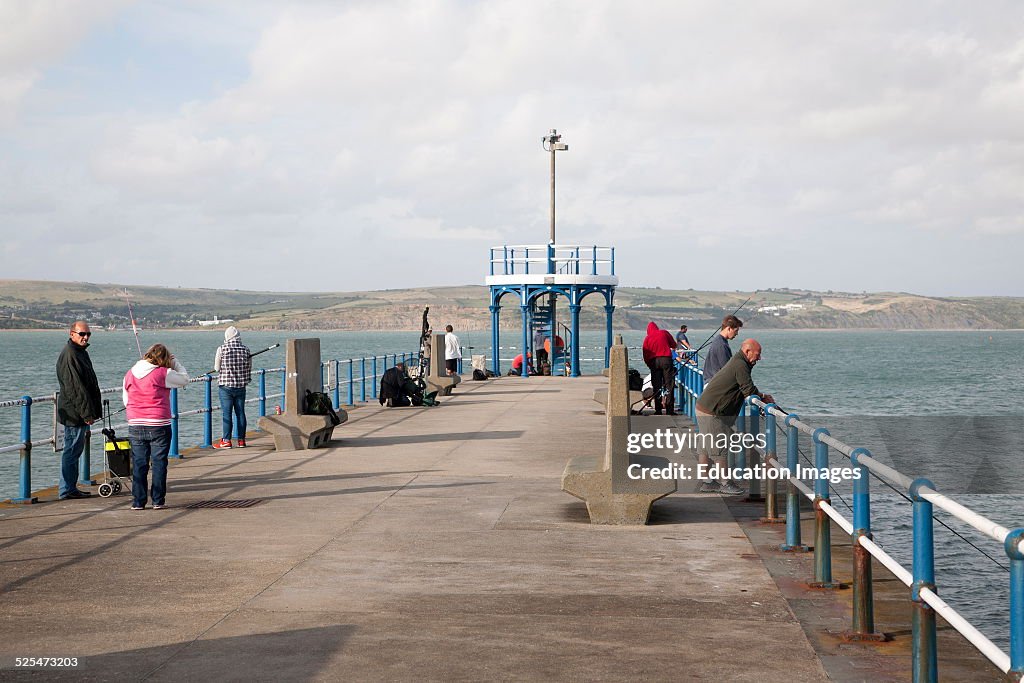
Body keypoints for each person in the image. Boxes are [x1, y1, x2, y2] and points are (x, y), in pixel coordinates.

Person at [694, 339, 774, 495]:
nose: (758, 358)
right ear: (747, 351)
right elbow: (748, 389)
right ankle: (725, 483)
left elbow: (744, 387)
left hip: (705, 407)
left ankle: (707, 482)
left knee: (705, 447)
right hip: (713, 412)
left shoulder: (738, 362)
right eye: (757, 354)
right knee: (719, 449)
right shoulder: (740, 364)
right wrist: (763, 396)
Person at [123, 344, 189, 510]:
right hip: (158, 424)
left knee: (139, 464)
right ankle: (158, 500)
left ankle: (138, 501)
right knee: (159, 463)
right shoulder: (162, 373)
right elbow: (184, 379)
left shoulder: (129, 374)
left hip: (135, 423)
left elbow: (126, 400)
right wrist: (175, 363)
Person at [55, 321, 103, 499]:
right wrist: (87, 414)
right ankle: (66, 490)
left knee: (74, 450)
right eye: (82, 334)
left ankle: (70, 488)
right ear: (72, 334)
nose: (85, 337)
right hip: (75, 413)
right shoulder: (70, 355)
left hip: (78, 412)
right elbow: (75, 389)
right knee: (72, 450)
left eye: (88, 334)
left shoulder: (80, 352)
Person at [213, 326, 252, 449]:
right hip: (241, 386)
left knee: (227, 414)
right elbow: (249, 367)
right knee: (240, 413)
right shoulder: (246, 350)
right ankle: (241, 440)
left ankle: (226, 441)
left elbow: (217, 368)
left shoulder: (222, 349)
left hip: (226, 387)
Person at [641, 321, 677, 415]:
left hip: (654, 362)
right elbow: (673, 345)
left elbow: (645, 353)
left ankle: (658, 410)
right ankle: (670, 410)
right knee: (669, 385)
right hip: (666, 360)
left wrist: (649, 364)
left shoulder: (647, 338)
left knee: (657, 386)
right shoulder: (664, 333)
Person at [702, 315, 742, 384]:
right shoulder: (721, 345)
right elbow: (727, 369)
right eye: (736, 331)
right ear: (729, 328)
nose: (737, 334)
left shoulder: (718, 340)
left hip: (710, 383)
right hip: (715, 386)